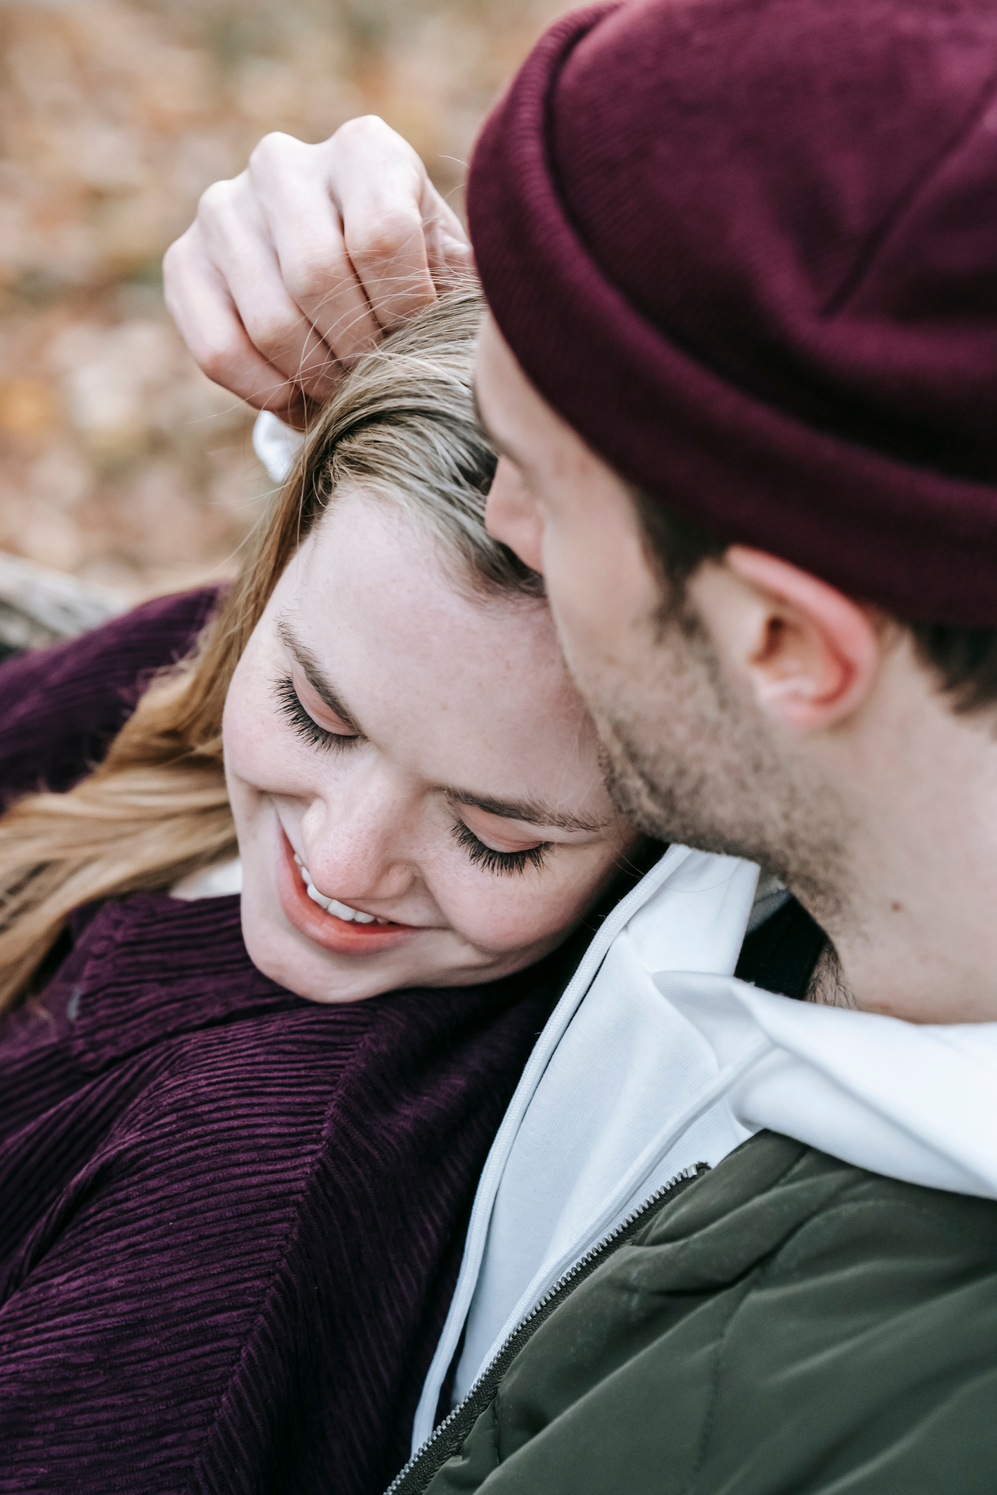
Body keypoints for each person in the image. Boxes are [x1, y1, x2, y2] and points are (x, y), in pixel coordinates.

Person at [164, 0, 997, 1490]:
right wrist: (367, 422)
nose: (500, 513)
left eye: (539, 480)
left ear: (784, 646)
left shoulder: (911, 1411)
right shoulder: (801, 782)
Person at [0, 291, 661, 1494]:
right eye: (314, 713)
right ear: (271, 576)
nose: (342, 865)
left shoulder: (239, 1218)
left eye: (494, 836)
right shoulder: (196, 674)